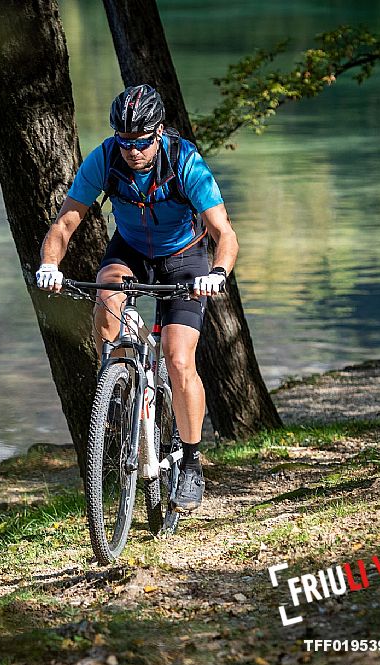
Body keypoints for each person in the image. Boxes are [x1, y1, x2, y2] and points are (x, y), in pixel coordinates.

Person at [35, 84, 238, 512]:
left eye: (142, 142)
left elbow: (224, 233)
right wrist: (50, 266)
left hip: (186, 259)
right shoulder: (105, 158)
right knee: (106, 296)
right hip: (131, 251)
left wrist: (217, 273)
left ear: (159, 132)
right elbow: (64, 225)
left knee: (179, 358)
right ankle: (117, 388)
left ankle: (192, 464)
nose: (133, 151)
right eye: (125, 141)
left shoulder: (185, 161)